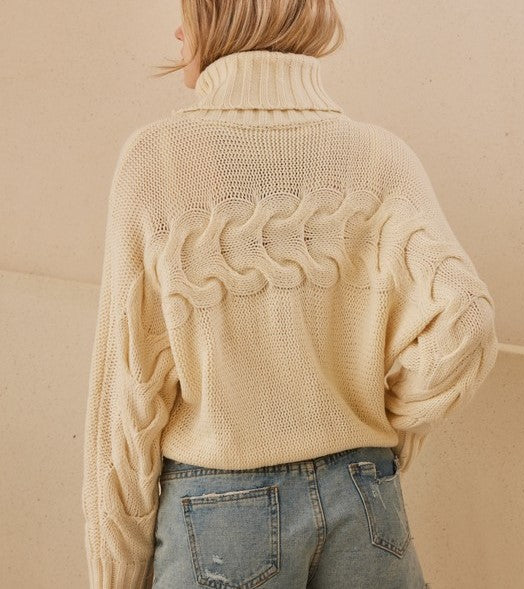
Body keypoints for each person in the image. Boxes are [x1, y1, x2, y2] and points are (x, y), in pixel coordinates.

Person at [81, 1, 499, 587]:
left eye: (189, 13)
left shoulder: (159, 159)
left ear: (224, 17)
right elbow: (468, 320)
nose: (179, 31)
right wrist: (383, 425)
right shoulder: (381, 158)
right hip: (365, 495)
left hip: (222, 516)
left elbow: (126, 394)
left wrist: (116, 573)